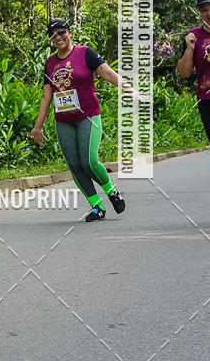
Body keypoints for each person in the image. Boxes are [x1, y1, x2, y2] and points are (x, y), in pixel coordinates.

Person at [29, 18, 134, 221]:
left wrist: (131, 90)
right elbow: (46, 96)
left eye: (61, 32)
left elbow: (107, 73)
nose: (58, 37)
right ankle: (96, 206)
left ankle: (112, 192)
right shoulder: (50, 63)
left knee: (89, 162)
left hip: (88, 116)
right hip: (64, 121)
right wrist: (38, 126)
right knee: (75, 165)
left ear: (69, 32)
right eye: (53, 34)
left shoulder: (85, 53)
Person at [177, 0, 210, 221]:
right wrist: (189, 49)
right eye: (204, 10)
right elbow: (184, 72)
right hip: (207, 101)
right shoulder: (194, 36)